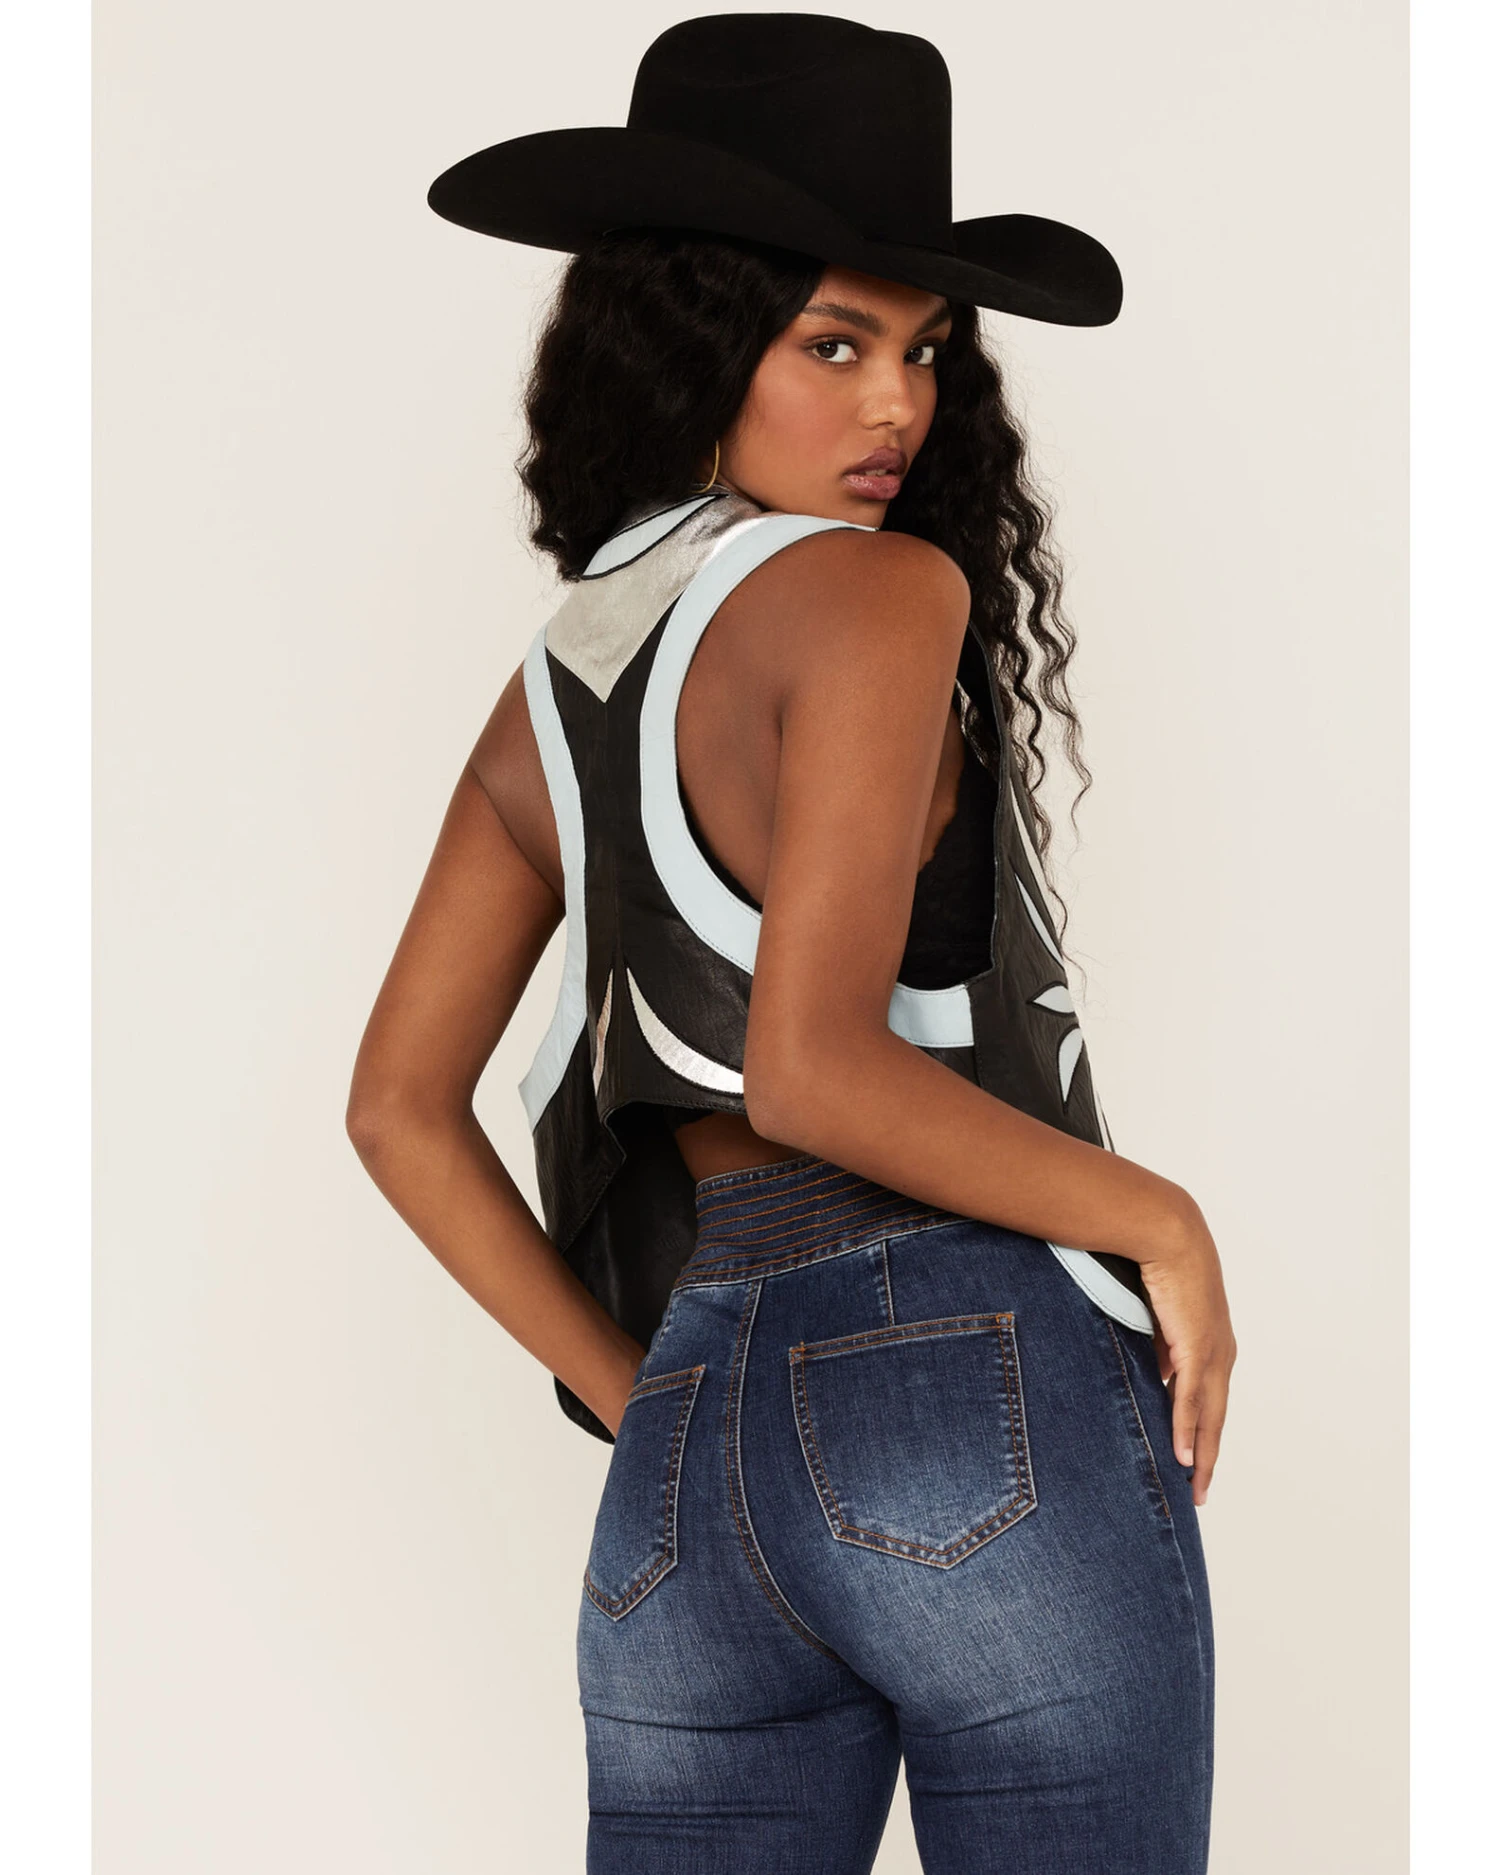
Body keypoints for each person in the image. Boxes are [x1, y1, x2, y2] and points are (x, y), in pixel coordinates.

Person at [347, 15, 1236, 1872]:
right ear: (692, 345)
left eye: (923, 349)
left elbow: (396, 1107)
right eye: (832, 344)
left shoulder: (557, 685)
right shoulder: (882, 594)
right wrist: (1158, 1217)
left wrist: (640, 1393)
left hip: (697, 1415)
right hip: (970, 1372)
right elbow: (812, 1065)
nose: (896, 406)